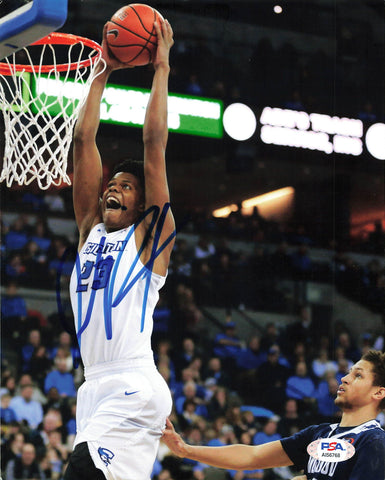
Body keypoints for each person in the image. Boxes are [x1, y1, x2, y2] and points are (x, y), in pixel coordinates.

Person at [64, 18, 175, 480]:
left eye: (127, 187)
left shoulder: (150, 235)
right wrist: (101, 72)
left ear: (142, 202)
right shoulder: (91, 229)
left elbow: (153, 144)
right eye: (112, 183)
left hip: (133, 383)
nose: (113, 189)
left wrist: (161, 66)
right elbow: (82, 140)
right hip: (92, 388)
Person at [162, 350, 385, 479]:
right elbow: (252, 456)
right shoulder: (320, 433)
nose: (344, 378)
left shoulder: (374, 441)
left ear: (379, 392)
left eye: (358, 375)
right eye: (348, 372)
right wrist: (186, 450)